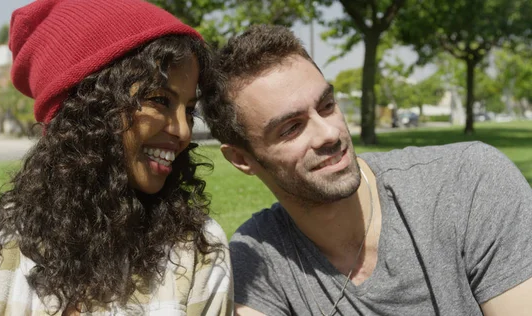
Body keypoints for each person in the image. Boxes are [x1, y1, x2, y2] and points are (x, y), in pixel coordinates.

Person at [202, 24, 532, 315]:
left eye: (327, 106)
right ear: (242, 160)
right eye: (291, 128)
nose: (329, 133)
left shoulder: (469, 184)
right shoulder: (259, 259)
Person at [0, 0, 232, 314]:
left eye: (188, 109)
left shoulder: (196, 253)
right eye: (159, 100)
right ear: (86, 107)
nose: (184, 131)